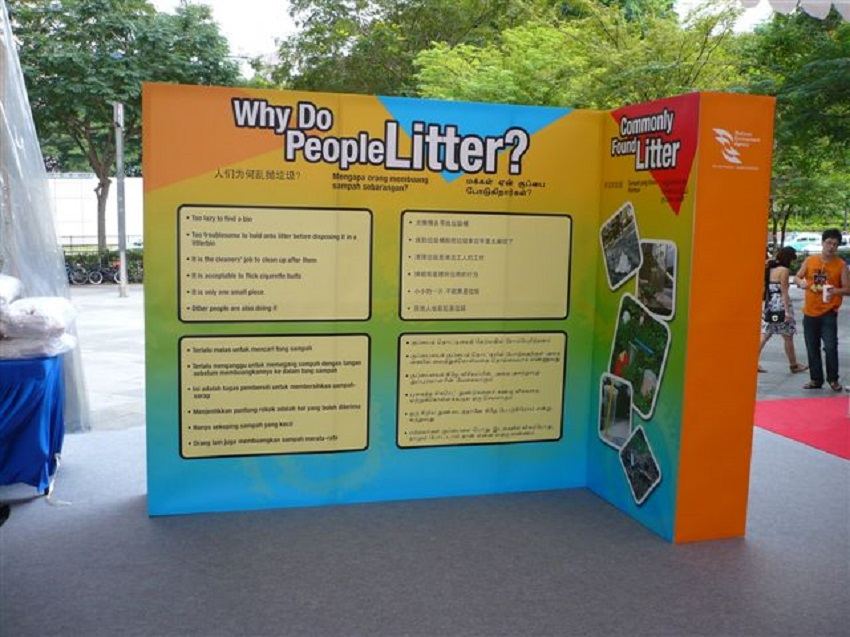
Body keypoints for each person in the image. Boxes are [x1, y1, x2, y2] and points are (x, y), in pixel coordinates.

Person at [795, 228, 850, 391]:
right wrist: (800, 282)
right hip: (810, 310)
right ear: (822, 243)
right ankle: (816, 379)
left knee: (830, 346)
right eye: (828, 243)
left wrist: (834, 290)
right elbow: (798, 276)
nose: (831, 247)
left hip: (829, 312)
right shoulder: (810, 260)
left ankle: (833, 379)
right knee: (812, 347)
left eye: (835, 244)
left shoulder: (841, 265)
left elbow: (847, 289)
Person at [758, 246, 808, 374]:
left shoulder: (770, 268)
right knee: (787, 336)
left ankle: (751, 360)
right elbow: (784, 292)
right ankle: (794, 365)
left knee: (765, 334)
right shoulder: (784, 270)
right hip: (780, 305)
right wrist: (786, 311)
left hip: (769, 304)